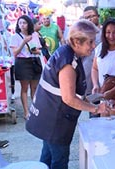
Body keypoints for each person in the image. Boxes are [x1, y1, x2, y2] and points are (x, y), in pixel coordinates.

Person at [25, 20, 110, 169]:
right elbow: (68, 98)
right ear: (77, 42)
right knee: (59, 161)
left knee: (47, 156)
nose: (93, 46)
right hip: (55, 120)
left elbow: (65, 91)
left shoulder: (66, 52)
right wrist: (97, 109)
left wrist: (93, 98)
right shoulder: (68, 63)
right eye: (90, 42)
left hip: (49, 117)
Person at [9, 15, 42, 120]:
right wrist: (24, 42)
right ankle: (26, 112)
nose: (22, 25)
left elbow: (39, 50)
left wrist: (35, 50)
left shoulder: (35, 35)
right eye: (20, 23)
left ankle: (35, 109)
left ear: (29, 24)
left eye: (24, 23)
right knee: (24, 88)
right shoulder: (15, 37)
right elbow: (15, 53)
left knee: (35, 88)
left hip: (34, 61)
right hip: (22, 62)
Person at [82, 6, 102, 118]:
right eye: (86, 17)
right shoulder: (81, 35)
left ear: (98, 16)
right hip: (89, 74)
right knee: (94, 107)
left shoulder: (106, 33)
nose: (90, 19)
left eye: (92, 16)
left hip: (106, 74)